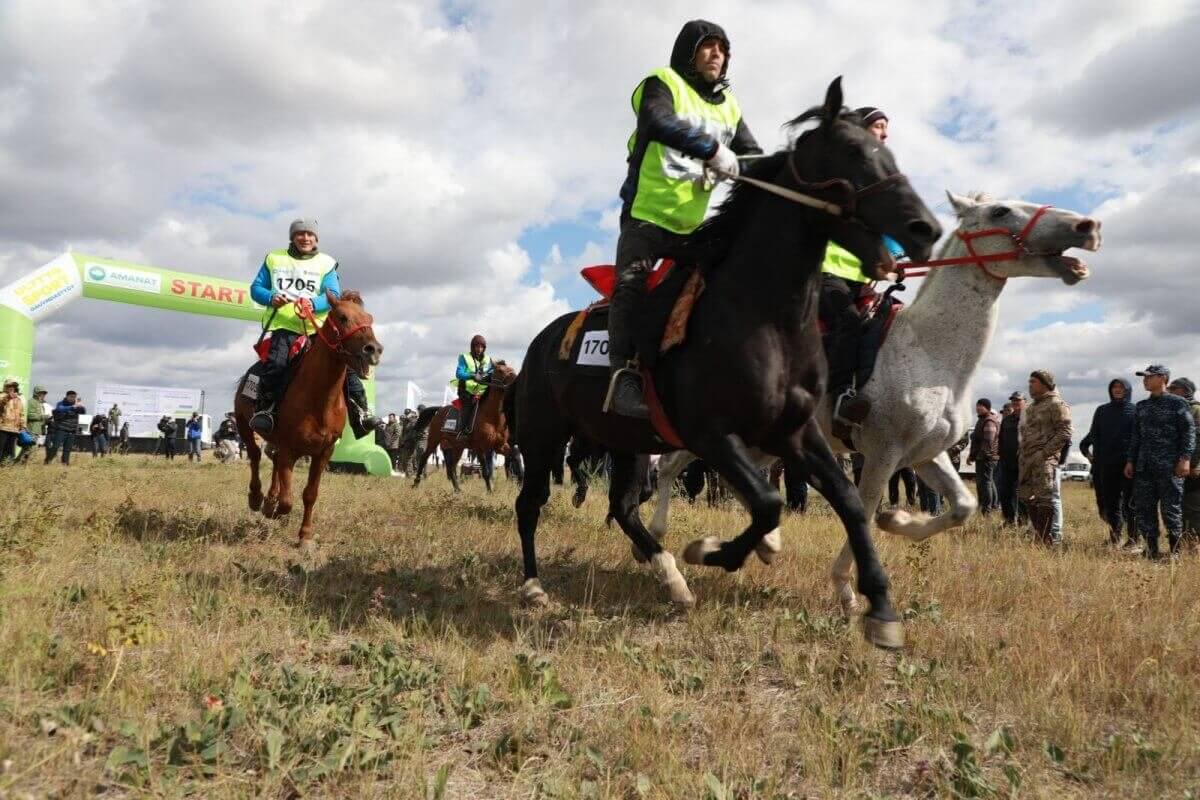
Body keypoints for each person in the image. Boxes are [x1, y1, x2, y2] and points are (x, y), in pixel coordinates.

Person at [607, 19, 762, 417]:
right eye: (708, 46)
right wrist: (712, 151)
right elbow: (657, 120)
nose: (717, 54)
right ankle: (624, 375)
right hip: (646, 218)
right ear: (688, 52)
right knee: (630, 286)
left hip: (693, 229)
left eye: (723, 49)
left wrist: (768, 171)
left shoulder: (731, 106)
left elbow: (753, 157)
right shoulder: (662, 82)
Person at [247, 218, 376, 436]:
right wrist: (270, 297)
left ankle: (360, 411)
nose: (305, 238)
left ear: (316, 239)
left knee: (345, 365)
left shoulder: (326, 263)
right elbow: (256, 288)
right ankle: (266, 411)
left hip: (318, 329)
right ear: (292, 237)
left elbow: (333, 295)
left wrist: (313, 303)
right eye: (300, 234)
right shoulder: (274, 258)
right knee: (276, 366)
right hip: (284, 326)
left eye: (310, 234)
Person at [819, 106, 904, 425]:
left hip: (860, 280)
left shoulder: (884, 178)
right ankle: (839, 398)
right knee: (848, 322)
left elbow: (892, 225)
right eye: (879, 125)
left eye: (887, 126)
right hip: (824, 272)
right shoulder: (836, 173)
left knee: (891, 324)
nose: (885, 133)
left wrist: (895, 256)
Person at [1125, 365, 1195, 560]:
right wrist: (1130, 460)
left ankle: (1175, 551)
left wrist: (1185, 459)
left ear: (1162, 378)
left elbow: (1188, 433)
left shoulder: (1178, 403)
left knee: (1170, 509)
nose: (1145, 380)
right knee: (1144, 509)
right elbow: (1136, 437)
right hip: (1144, 467)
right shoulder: (1142, 406)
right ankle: (1152, 549)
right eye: (1143, 377)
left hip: (1170, 466)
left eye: (1149, 377)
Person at [1079, 378, 1137, 548]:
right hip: (1106, 465)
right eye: (1114, 387)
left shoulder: (1135, 411)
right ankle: (1115, 536)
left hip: (1128, 465)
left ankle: (1133, 539)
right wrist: (1093, 458)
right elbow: (1094, 436)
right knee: (1110, 503)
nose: (1117, 390)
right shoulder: (1102, 411)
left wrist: (1132, 461)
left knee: (1130, 503)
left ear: (1127, 390)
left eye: (1121, 387)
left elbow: (1137, 438)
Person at [1018, 370, 1072, 545]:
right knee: (1026, 497)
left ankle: (1044, 538)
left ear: (1044, 383)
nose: (1030, 385)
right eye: (1029, 381)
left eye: (1033, 381)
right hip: (1027, 460)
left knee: (1044, 499)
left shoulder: (1057, 404)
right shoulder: (1032, 407)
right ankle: (1040, 535)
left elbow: (1065, 432)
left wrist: (1044, 453)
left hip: (1044, 460)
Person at [1167, 377, 1200, 542]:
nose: (1169, 391)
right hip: (1174, 468)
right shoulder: (1174, 410)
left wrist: (1194, 465)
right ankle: (1182, 544)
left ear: (1186, 390)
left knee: (1192, 508)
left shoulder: (1196, 410)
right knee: (1176, 508)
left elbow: (1198, 441)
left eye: (1174, 388)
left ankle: (1193, 546)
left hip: (1192, 469)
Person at [454, 335, 494, 435]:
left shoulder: (488, 359)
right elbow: (459, 373)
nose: (479, 349)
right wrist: (472, 376)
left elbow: (492, 371)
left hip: (481, 391)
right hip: (466, 391)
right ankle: (462, 432)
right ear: (472, 347)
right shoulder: (464, 357)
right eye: (477, 346)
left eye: (481, 347)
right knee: (468, 406)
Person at [967, 398, 1001, 514]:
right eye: (977, 406)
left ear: (987, 407)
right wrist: (971, 456)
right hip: (982, 457)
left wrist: (979, 456)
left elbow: (988, 443)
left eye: (981, 406)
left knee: (986, 483)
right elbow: (976, 441)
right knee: (986, 482)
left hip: (987, 458)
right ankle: (989, 505)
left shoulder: (989, 421)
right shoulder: (981, 420)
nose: (978, 408)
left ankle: (987, 509)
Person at [997, 391, 1025, 525]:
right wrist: (1001, 455)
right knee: (1005, 493)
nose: (1015, 403)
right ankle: (1009, 520)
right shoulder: (1007, 420)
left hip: (1024, 463)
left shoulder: (1030, 419)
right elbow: (1001, 439)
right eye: (1013, 400)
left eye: (1018, 400)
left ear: (1025, 402)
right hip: (1007, 463)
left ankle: (1023, 521)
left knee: (1022, 494)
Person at [45, 390, 86, 465]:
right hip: (61, 429)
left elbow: (83, 411)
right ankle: (48, 461)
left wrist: (80, 406)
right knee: (55, 446)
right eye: (71, 397)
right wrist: (72, 407)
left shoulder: (77, 405)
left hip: (72, 430)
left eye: (74, 397)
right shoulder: (61, 403)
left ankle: (65, 463)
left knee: (67, 449)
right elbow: (59, 409)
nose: (72, 398)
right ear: (67, 396)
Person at [18, 385, 49, 463]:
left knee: (31, 448)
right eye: (41, 393)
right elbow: (29, 415)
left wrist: (47, 420)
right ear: (36, 393)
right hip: (32, 429)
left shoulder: (40, 403)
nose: (43, 395)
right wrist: (43, 417)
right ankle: (19, 463)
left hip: (37, 429)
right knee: (29, 448)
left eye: (44, 393)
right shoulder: (31, 402)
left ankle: (21, 464)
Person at [0, 380, 24, 464]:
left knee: (10, 450)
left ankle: (5, 466)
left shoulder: (18, 399)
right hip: (2, 427)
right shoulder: (2, 396)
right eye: (9, 386)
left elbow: (21, 413)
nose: (11, 388)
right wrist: (8, 397)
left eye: (13, 386)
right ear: (5, 387)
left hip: (14, 428)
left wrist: (22, 425)